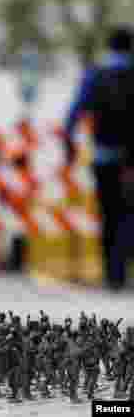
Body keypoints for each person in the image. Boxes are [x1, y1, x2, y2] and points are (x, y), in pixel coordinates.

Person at [63, 25, 134, 291]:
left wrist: (69, 145)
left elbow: (73, 114)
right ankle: (126, 265)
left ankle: (113, 275)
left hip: (104, 156)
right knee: (129, 212)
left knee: (109, 213)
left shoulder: (95, 75)